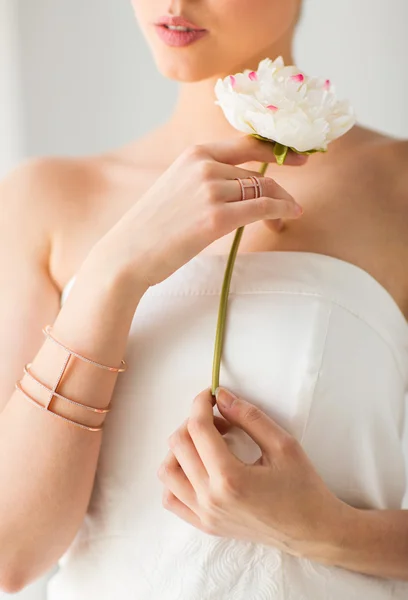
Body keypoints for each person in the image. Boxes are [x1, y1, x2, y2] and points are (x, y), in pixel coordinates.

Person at [0, 0, 407, 597]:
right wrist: (117, 271)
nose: (173, 4)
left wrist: (323, 530)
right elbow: (11, 553)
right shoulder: (45, 198)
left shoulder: (397, 190)